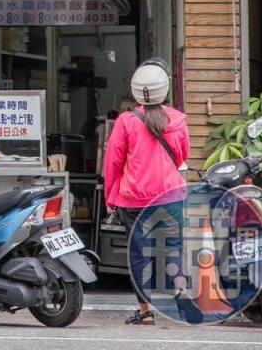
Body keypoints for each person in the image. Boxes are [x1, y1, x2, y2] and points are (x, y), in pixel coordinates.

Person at [103, 58, 190, 325]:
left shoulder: (127, 121)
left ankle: (145, 311)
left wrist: (110, 195)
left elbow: (113, 162)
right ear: (164, 89)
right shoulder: (176, 119)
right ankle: (182, 291)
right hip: (171, 194)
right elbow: (181, 156)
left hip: (134, 198)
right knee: (173, 246)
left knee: (139, 254)